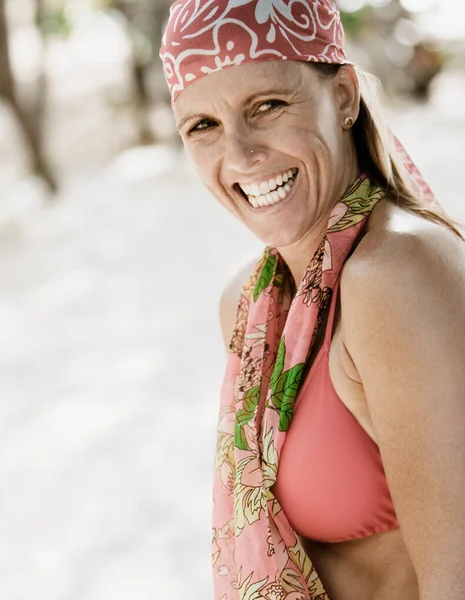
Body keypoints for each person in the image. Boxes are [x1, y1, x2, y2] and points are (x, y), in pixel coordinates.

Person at [159, 2, 465, 600]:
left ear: (344, 96)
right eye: (203, 127)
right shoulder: (249, 307)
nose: (241, 156)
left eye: (267, 106)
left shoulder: (394, 275)